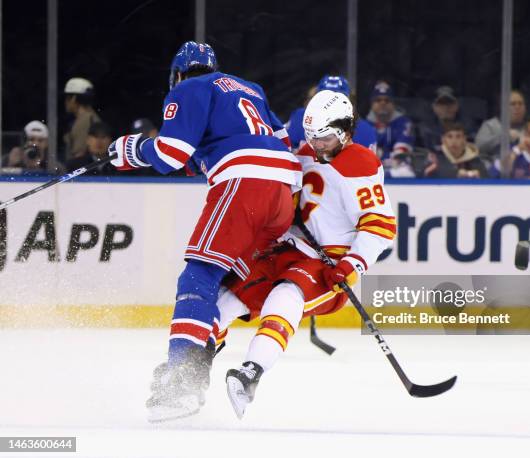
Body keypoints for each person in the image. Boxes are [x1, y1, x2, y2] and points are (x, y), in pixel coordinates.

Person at [107, 41, 302, 423]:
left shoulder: (187, 89)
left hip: (244, 181)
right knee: (226, 287)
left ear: (178, 74)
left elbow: (169, 155)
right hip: (282, 193)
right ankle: (197, 368)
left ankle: (181, 378)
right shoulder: (249, 89)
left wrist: (132, 150)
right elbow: (282, 143)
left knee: (199, 275)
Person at [216, 90, 396, 418]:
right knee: (227, 297)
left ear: (344, 132)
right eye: (312, 137)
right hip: (288, 249)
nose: (317, 145)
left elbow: (380, 227)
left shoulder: (362, 163)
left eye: (324, 138)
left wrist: (351, 265)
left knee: (286, 295)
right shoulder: (305, 150)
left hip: (328, 262)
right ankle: (191, 365)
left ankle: (250, 375)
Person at [285, 75, 377, 152]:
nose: (331, 103)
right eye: (326, 97)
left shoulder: (365, 130)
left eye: (337, 98)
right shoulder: (300, 117)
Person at [366, 80, 416, 177]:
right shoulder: (365, 126)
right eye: (378, 100)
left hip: (397, 169)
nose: (383, 103)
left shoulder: (404, 123)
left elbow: (400, 155)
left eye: (387, 100)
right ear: (372, 104)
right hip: (371, 170)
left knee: (406, 172)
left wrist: (380, 156)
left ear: (393, 104)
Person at [417, 86, 478, 152]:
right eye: (441, 104)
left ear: (456, 106)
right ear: (434, 107)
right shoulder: (424, 128)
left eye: (450, 103)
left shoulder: (468, 127)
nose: (446, 108)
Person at [475, 90, 528, 162]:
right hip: (495, 168)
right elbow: (478, 147)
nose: (517, 107)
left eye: (520, 104)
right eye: (513, 104)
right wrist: (504, 136)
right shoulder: (491, 125)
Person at [423, 122, 488, 179]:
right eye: (449, 137)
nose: (454, 141)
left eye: (458, 136)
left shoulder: (475, 160)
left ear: (464, 139)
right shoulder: (435, 158)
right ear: (443, 139)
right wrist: (455, 174)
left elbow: (488, 180)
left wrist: (479, 177)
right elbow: (421, 177)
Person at [63, 77, 102, 160]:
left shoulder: (85, 121)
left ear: (73, 98)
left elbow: (77, 154)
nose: (65, 102)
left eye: (67, 98)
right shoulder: (91, 116)